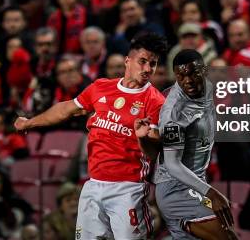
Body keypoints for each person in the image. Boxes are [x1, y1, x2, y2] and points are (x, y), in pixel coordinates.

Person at [14, 32, 168, 239]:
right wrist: (30, 122)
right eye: (143, 61)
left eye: (153, 64)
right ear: (127, 61)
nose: (148, 69)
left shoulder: (156, 103)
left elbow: (154, 153)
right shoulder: (101, 87)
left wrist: (142, 138)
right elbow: (66, 109)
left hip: (128, 189)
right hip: (93, 185)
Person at [149, 49, 237, 240]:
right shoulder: (174, 113)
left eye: (192, 73)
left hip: (195, 184)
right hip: (175, 189)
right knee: (228, 237)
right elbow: (172, 164)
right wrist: (212, 193)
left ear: (204, 71)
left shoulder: (209, 89)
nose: (187, 81)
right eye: (181, 76)